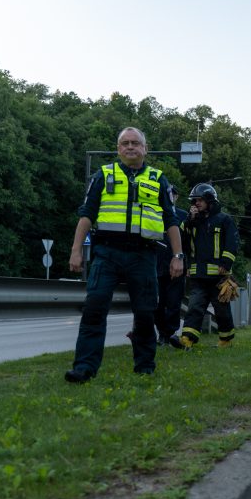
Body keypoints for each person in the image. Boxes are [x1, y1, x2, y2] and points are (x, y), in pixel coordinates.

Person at [65, 127, 184, 383]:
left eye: (135, 143)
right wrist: (76, 250)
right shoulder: (103, 175)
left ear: (145, 148)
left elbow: (171, 221)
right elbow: (87, 214)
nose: (130, 147)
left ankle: (144, 368)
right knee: (94, 308)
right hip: (106, 252)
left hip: (143, 255)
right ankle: (84, 368)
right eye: (125, 143)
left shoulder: (158, 179)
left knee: (145, 313)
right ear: (118, 149)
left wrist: (178, 255)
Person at [178, 183, 240, 348]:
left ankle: (225, 340)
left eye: (200, 200)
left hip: (219, 276)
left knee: (221, 310)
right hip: (198, 275)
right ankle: (187, 340)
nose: (196, 203)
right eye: (194, 201)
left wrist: (226, 263)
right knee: (194, 308)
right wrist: (190, 221)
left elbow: (232, 243)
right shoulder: (191, 222)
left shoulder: (224, 220)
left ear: (210, 200)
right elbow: (182, 242)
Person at [153, 185, 188, 348]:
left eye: (172, 194)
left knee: (174, 302)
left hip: (178, 266)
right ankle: (161, 332)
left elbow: (189, 242)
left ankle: (170, 333)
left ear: (176, 196)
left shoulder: (183, 216)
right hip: (158, 264)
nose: (169, 197)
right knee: (158, 303)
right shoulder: (154, 214)